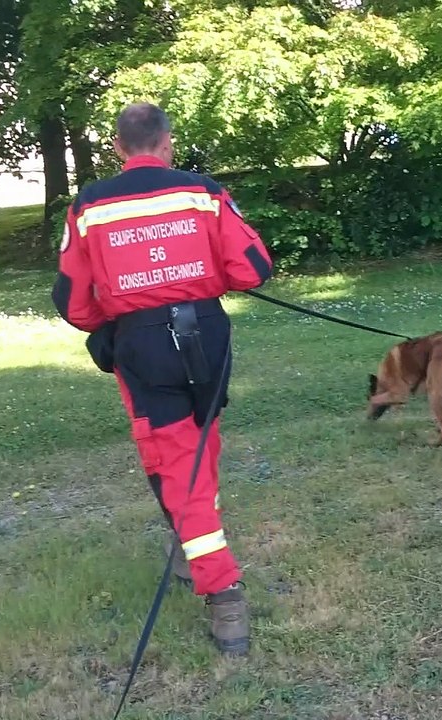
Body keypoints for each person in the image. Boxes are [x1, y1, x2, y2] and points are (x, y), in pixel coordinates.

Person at [51, 102, 274, 657]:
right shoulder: (203, 192)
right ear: (167, 143)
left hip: (143, 348)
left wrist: (125, 308)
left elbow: (75, 304)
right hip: (207, 340)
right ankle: (187, 542)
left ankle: (224, 595)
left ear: (119, 148)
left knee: (181, 465)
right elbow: (253, 269)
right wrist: (198, 276)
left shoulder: (89, 206)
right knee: (186, 454)